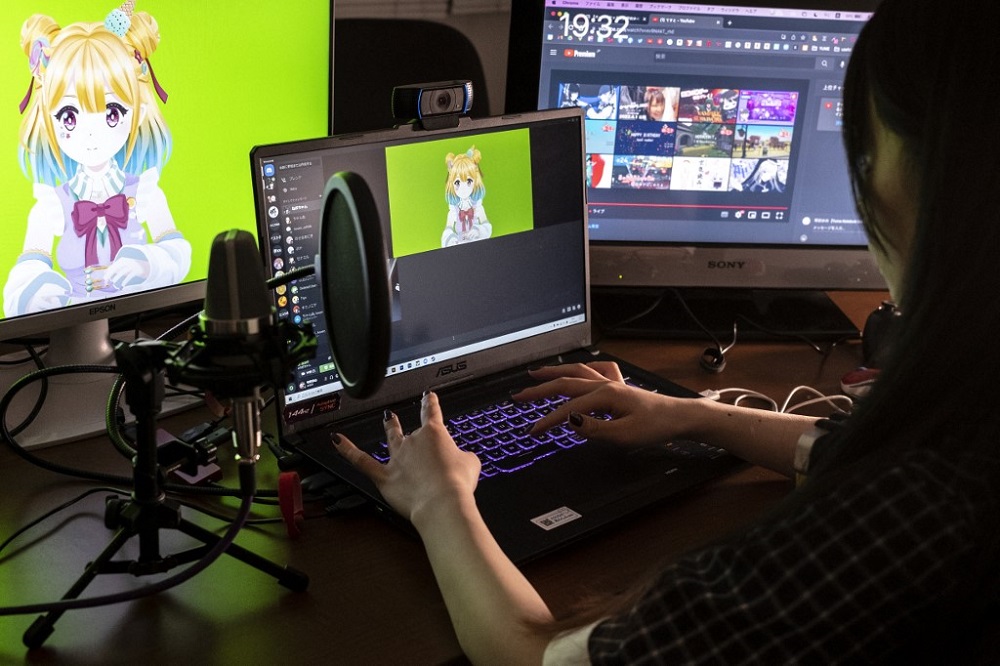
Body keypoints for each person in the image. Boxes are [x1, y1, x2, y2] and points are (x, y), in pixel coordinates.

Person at [332, 0, 1000, 662]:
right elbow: (859, 454)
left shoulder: (895, 523)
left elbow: (533, 657)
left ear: (938, 176)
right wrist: (688, 416)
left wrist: (440, 498)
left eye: (863, 151)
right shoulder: (959, 440)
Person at [4, 2, 191, 317]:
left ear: (138, 110)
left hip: (143, 319)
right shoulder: (52, 202)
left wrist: (146, 264)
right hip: (72, 322)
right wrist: (37, 291)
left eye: (112, 113)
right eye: (69, 116)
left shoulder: (144, 190)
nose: (91, 135)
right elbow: (29, 264)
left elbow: (178, 252)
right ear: (48, 118)